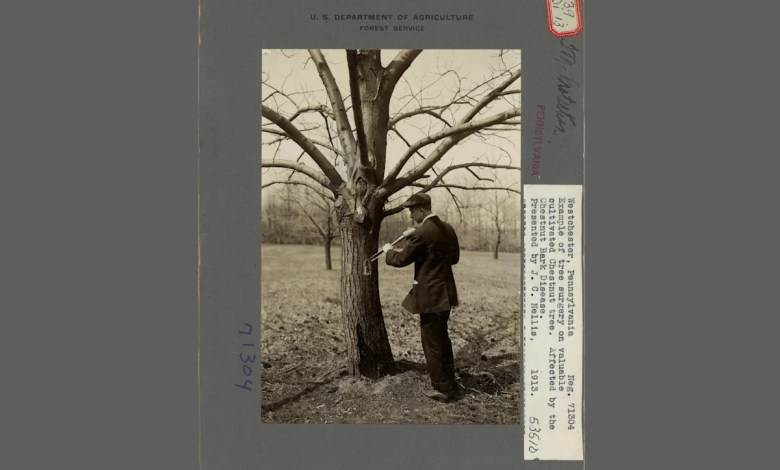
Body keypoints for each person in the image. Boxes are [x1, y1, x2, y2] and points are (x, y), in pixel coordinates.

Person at [381, 193, 461, 402]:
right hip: (445, 294)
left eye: (412, 211)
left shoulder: (422, 233)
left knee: (432, 342)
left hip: (431, 297)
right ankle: (449, 383)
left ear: (422, 210)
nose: (410, 215)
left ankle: (443, 389)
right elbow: (454, 258)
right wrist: (416, 235)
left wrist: (389, 251)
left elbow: (400, 259)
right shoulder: (448, 229)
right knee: (442, 340)